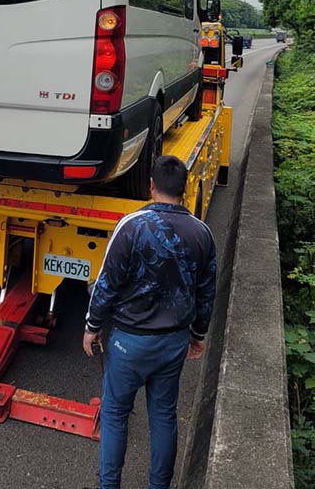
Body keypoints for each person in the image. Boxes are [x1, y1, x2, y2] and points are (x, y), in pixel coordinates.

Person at [83, 155, 217, 489]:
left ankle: (109, 484)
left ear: (151, 185)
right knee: (163, 415)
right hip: (173, 342)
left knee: (115, 414)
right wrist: (198, 334)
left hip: (128, 341)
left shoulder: (131, 226)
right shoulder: (202, 233)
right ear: (185, 189)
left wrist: (92, 326)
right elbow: (206, 291)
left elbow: (107, 283)